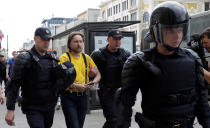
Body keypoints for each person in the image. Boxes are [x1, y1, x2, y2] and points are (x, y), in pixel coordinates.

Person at [117, 1, 210, 128]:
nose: (177, 36)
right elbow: (124, 105)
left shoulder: (192, 59)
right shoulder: (139, 62)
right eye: (170, 30)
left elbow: (202, 101)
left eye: (180, 30)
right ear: (156, 31)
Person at [5, 27, 76, 128]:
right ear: (35, 39)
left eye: (48, 40)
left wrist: (67, 77)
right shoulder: (24, 58)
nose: (46, 42)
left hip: (50, 106)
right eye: (43, 39)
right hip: (33, 106)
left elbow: (59, 82)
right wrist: (10, 109)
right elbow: (13, 84)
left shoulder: (53, 58)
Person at [59, 32, 101, 128]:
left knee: (79, 125)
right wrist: (76, 85)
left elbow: (98, 74)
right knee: (74, 126)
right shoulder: (65, 58)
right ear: (69, 44)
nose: (79, 44)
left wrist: (92, 83)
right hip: (69, 97)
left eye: (81, 41)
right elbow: (62, 78)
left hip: (83, 97)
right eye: (76, 42)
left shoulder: (86, 57)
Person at [90, 29, 130, 128]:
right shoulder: (98, 54)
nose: (118, 41)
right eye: (115, 39)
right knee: (112, 120)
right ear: (108, 39)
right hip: (107, 92)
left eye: (119, 39)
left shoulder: (126, 54)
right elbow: (90, 74)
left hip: (122, 92)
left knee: (124, 121)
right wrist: (91, 75)